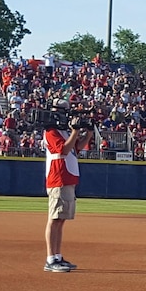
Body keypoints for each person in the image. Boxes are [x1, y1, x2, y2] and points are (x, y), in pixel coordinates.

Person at [43, 116, 90, 272]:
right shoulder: (51, 131)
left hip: (67, 178)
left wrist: (88, 133)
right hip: (58, 178)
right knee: (54, 219)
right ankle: (50, 259)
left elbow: (75, 148)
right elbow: (63, 149)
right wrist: (75, 130)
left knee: (61, 220)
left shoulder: (64, 132)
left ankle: (57, 256)